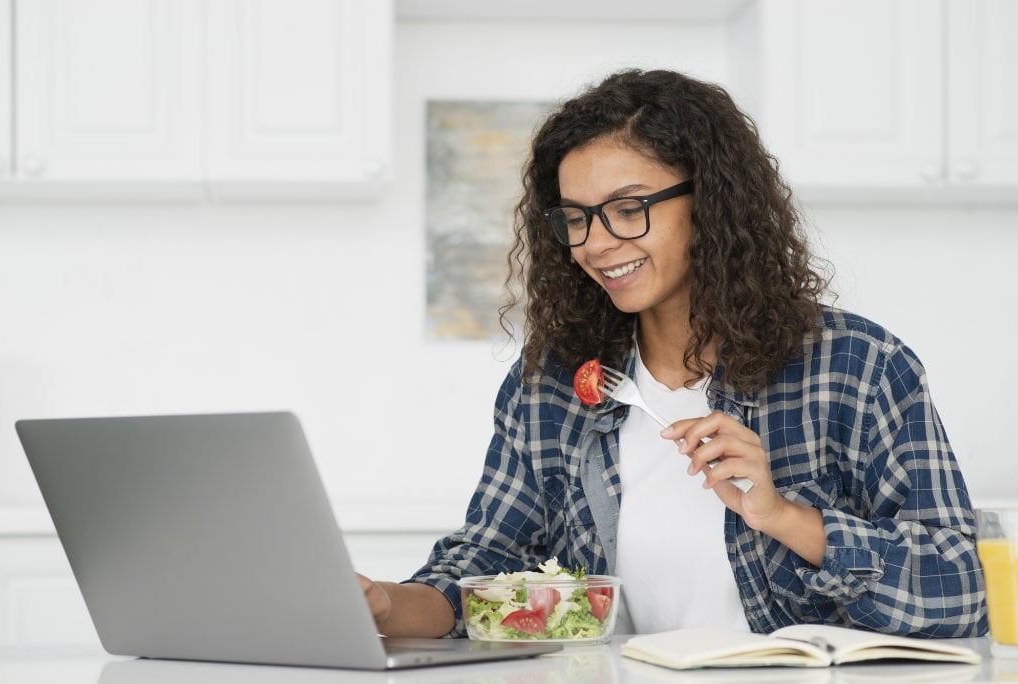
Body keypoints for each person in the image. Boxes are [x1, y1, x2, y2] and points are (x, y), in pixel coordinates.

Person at [358, 68, 987, 639]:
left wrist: (782, 515)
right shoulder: (552, 384)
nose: (597, 244)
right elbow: (487, 564)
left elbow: (961, 593)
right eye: (576, 218)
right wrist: (385, 603)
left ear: (709, 202)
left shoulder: (858, 363)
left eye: (628, 209)